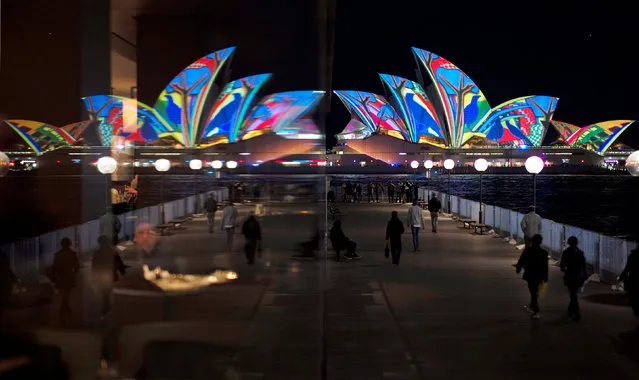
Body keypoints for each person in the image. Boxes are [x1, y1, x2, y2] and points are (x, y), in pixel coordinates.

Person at [515, 234, 549, 319]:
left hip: (530, 274)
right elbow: (545, 266)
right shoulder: (544, 252)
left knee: (533, 291)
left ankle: (536, 310)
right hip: (540, 275)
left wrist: (518, 268)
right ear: (540, 242)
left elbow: (521, 260)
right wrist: (546, 276)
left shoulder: (528, 251)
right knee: (535, 291)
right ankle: (532, 305)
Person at [92, 236, 126, 317]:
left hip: (103, 274)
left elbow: (94, 266)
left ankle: (106, 305)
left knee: (105, 290)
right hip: (108, 274)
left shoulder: (97, 253)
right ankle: (106, 305)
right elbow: (119, 263)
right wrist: (122, 271)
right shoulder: (111, 252)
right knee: (106, 290)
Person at [51, 238, 80, 325]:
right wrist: (73, 273)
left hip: (61, 278)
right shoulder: (73, 254)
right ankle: (66, 315)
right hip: (69, 278)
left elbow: (54, 268)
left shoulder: (58, 254)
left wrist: (54, 279)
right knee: (65, 298)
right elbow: (77, 267)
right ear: (69, 244)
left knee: (64, 298)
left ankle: (64, 316)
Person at [560, 236, 587, 321]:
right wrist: (584, 275)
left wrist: (565, 269)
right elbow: (584, 266)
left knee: (573, 295)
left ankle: (576, 312)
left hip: (570, 276)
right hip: (578, 276)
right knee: (573, 294)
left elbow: (562, 266)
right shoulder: (580, 253)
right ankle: (571, 311)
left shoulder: (566, 253)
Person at [619, 248, 639, 322]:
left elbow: (627, 268)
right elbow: (627, 268)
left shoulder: (633, 255)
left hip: (635, 279)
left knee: (633, 297)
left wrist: (622, 276)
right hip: (635, 279)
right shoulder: (633, 255)